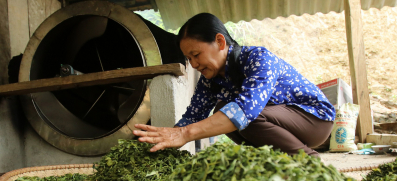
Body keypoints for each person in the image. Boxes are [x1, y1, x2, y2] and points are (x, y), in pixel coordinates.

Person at [133, 13, 335, 158]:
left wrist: (185, 134)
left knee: (241, 114)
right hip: (279, 124)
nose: (193, 65)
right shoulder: (209, 80)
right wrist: (162, 142)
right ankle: (272, 160)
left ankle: (307, 160)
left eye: (196, 55)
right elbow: (193, 117)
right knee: (223, 110)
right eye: (188, 58)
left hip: (315, 120)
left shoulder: (259, 58)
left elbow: (246, 110)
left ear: (220, 42)